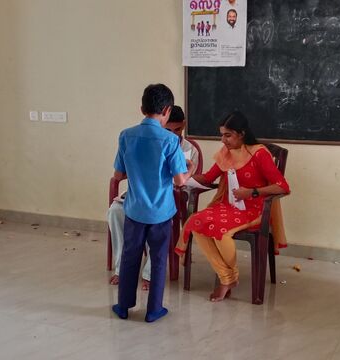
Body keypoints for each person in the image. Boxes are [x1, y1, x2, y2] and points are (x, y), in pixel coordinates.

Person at [177, 111, 290, 302]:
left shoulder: (259, 154)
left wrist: (252, 192)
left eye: (227, 135)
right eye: (221, 135)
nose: (223, 140)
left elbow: (282, 186)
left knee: (221, 231)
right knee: (196, 222)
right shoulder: (226, 153)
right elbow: (208, 178)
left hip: (254, 209)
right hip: (229, 206)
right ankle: (227, 277)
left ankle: (227, 279)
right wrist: (184, 177)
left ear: (241, 133)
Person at [111, 84, 192, 323]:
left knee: (129, 256)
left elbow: (118, 175)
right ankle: (154, 310)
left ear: (142, 108)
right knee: (158, 260)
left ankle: (124, 306)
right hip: (160, 212)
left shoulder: (126, 135)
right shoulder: (170, 140)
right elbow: (179, 181)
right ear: (167, 110)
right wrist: (191, 170)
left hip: (135, 210)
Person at [107, 105, 199, 290]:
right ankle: (120, 268)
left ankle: (149, 273)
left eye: (178, 130)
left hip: (169, 197)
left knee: (159, 220)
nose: (174, 134)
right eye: (168, 129)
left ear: (184, 125)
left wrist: (189, 172)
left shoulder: (189, 149)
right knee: (115, 211)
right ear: (162, 120)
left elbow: (182, 182)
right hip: (142, 194)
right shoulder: (148, 140)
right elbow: (124, 173)